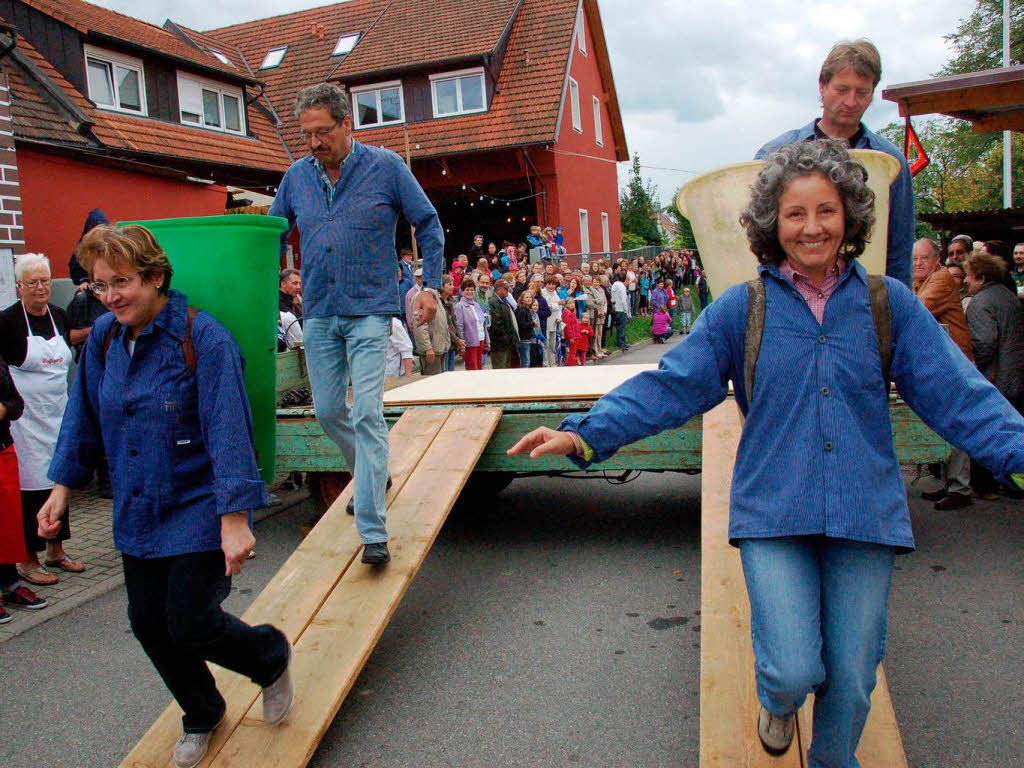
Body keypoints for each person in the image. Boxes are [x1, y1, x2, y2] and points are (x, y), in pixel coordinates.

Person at [507, 139, 1024, 768]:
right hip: (774, 506)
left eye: (826, 211)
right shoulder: (740, 311)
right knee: (791, 666)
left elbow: (960, 395)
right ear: (772, 225)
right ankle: (776, 701)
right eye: (796, 214)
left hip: (864, 508)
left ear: (850, 217)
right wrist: (586, 431)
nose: (813, 227)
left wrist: (1017, 451)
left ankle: (833, 760)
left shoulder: (890, 305)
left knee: (855, 671)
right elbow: (673, 384)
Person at [40, 224, 293, 768]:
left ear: (156, 277)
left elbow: (230, 432)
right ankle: (201, 711)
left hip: (199, 502)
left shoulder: (204, 340)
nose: (109, 296)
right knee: (148, 623)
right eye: (99, 284)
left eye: (121, 282)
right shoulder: (106, 339)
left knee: (191, 622)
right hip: (138, 505)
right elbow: (81, 416)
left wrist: (235, 518)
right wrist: (62, 489)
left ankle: (269, 655)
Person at [269, 83, 443, 565]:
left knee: (367, 411)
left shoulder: (386, 167)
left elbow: (428, 223)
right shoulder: (296, 177)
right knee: (328, 411)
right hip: (320, 311)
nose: (314, 142)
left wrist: (431, 286)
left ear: (348, 124)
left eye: (323, 131)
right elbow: (272, 234)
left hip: (370, 309)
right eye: (307, 134)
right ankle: (373, 472)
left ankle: (372, 529)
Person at [755, 39, 914, 289]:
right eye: (842, 90)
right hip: (790, 296)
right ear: (822, 86)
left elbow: (898, 251)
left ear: (872, 93)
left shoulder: (890, 162)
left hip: (864, 301)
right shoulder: (775, 153)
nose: (851, 102)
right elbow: (758, 240)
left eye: (862, 92)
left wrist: (896, 312)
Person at [0, 254, 83, 586]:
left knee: (57, 483)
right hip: (25, 420)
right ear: (19, 286)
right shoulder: (7, 322)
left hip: (57, 414)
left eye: (45, 280)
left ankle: (55, 550)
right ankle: (27, 559)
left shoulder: (58, 316)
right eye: (32, 282)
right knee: (29, 488)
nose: (40, 288)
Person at [911, 238, 974, 510]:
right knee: (945, 424)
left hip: (956, 363)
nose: (917, 263)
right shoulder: (923, 281)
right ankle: (951, 484)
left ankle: (961, 488)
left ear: (937, 260)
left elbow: (914, 310)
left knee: (957, 423)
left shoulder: (942, 279)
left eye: (923, 258)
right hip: (943, 364)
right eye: (914, 259)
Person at [964, 250, 1024, 500]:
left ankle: (985, 486)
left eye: (968, 275)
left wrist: (968, 363)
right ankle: (1014, 483)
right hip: (1016, 375)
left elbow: (985, 342)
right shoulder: (1009, 297)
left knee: (985, 428)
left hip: (994, 378)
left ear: (979, 276)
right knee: (1013, 430)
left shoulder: (981, 302)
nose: (965, 281)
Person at [0, 354, 48, 622]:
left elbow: (16, 404)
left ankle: (10, 586)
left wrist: (4, 409)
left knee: (7, 523)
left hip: (2, 450)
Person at [413, 276, 451, 376]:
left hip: (440, 349)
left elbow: (442, 323)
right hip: (431, 351)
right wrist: (428, 348)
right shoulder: (421, 297)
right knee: (432, 385)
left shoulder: (436, 297)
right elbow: (420, 326)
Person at [455, 278, 488, 370]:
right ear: (462, 292)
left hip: (481, 339)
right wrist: (462, 343)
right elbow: (459, 325)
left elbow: (483, 324)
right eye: (467, 290)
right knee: (472, 366)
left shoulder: (476, 305)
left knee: (480, 365)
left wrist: (487, 340)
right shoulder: (459, 306)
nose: (470, 292)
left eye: (472, 290)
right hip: (469, 341)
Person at [487, 279, 519, 369]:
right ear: (498, 289)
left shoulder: (504, 301)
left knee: (507, 368)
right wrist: (507, 337)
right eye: (505, 289)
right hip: (500, 344)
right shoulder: (493, 302)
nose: (507, 292)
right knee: (500, 368)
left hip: (507, 344)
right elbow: (496, 323)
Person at [439, 274, 465, 372]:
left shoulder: (451, 301)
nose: (452, 287)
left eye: (453, 284)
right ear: (442, 286)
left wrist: (460, 338)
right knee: (445, 372)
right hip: (444, 342)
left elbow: (455, 321)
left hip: (453, 343)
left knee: (452, 371)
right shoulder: (438, 302)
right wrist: (457, 339)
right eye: (449, 284)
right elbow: (444, 325)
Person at [540, 276, 563, 367]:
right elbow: (546, 307)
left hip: (554, 322)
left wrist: (559, 317)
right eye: (549, 284)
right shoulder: (542, 293)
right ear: (546, 284)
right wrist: (556, 304)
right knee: (546, 343)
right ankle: (546, 364)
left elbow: (560, 308)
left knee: (553, 345)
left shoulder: (555, 293)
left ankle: (553, 363)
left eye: (553, 284)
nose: (551, 286)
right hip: (546, 322)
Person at [611, 272, 630, 351]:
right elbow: (623, 300)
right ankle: (622, 342)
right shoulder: (622, 287)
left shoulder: (614, 285)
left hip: (615, 308)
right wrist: (626, 310)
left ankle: (620, 341)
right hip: (622, 309)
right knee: (622, 326)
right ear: (625, 279)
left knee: (618, 326)